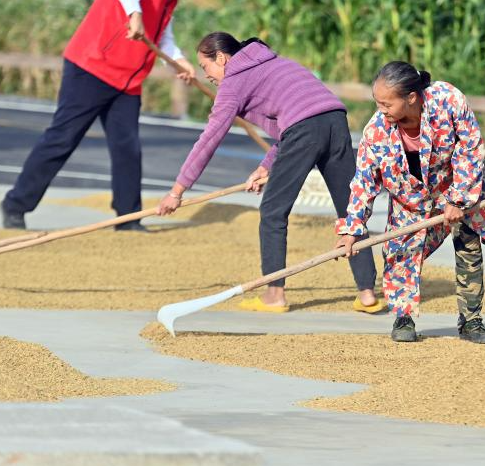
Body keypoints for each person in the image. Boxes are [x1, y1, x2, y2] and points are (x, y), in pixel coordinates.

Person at [156, 32, 382, 314]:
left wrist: (177, 191)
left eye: (205, 67)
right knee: (351, 209)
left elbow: (209, 139)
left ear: (222, 58)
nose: (207, 76)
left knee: (273, 212)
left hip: (305, 129)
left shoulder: (233, 82)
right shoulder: (276, 62)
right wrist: (265, 166)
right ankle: (368, 293)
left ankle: (274, 294)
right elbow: (291, 122)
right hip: (335, 121)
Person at [0, 0, 214, 231]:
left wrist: (178, 61)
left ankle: (127, 219)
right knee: (62, 139)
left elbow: (162, 36)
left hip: (127, 81)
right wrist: (134, 13)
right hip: (91, 68)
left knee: (128, 149)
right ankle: (15, 205)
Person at [335, 61, 485, 345]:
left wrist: (458, 198)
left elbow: (470, 147)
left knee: (468, 246)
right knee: (401, 252)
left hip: (456, 185)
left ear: (411, 98)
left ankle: (471, 321)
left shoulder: (448, 101)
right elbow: (364, 181)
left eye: (387, 104)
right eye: (377, 103)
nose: (381, 110)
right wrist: (352, 227)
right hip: (411, 198)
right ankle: (403, 316)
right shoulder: (376, 132)